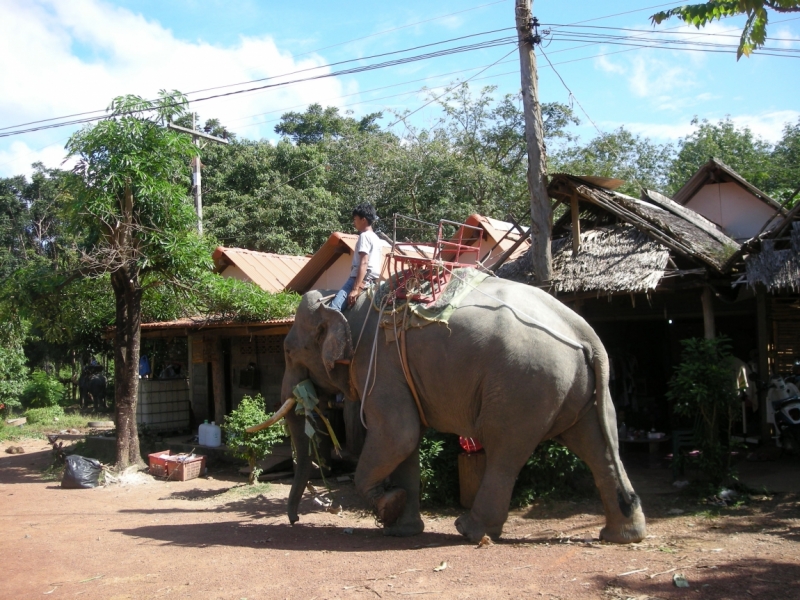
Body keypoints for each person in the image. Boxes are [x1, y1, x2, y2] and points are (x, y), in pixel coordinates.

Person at [330, 203, 387, 311]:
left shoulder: (364, 236)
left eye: (355, 219)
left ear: (363, 220)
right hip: (374, 280)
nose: (353, 222)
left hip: (361, 279)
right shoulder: (376, 238)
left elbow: (364, 262)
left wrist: (355, 289)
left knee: (333, 310)